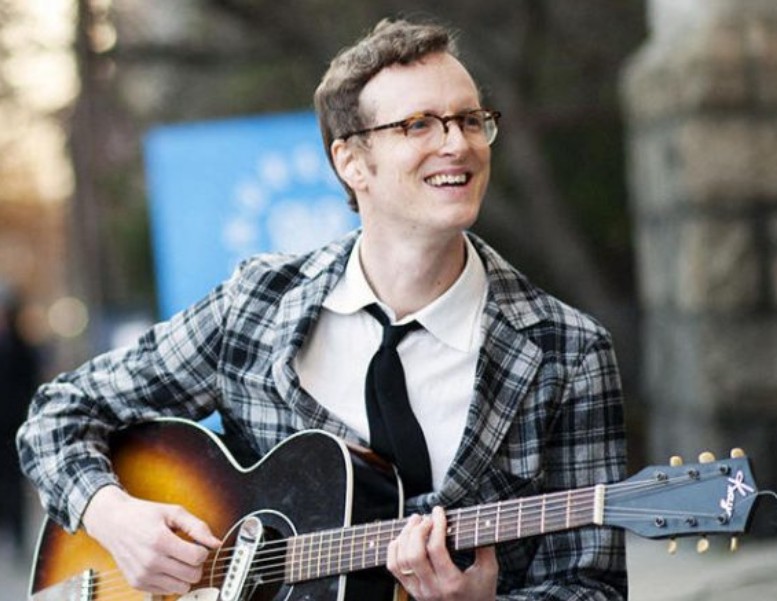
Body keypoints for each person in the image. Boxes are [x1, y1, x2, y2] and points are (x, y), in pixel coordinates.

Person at [17, 17, 628, 600]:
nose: (457, 144)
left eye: (470, 120)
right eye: (420, 124)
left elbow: (594, 585)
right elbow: (58, 414)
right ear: (350, 161)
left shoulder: (565, 351)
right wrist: (114, 516)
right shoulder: (257, 305)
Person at [0, 283, 38, 557]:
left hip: (14, 426)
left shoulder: (21, 346)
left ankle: (18, 538)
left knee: (14, 486)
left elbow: (30, 384)